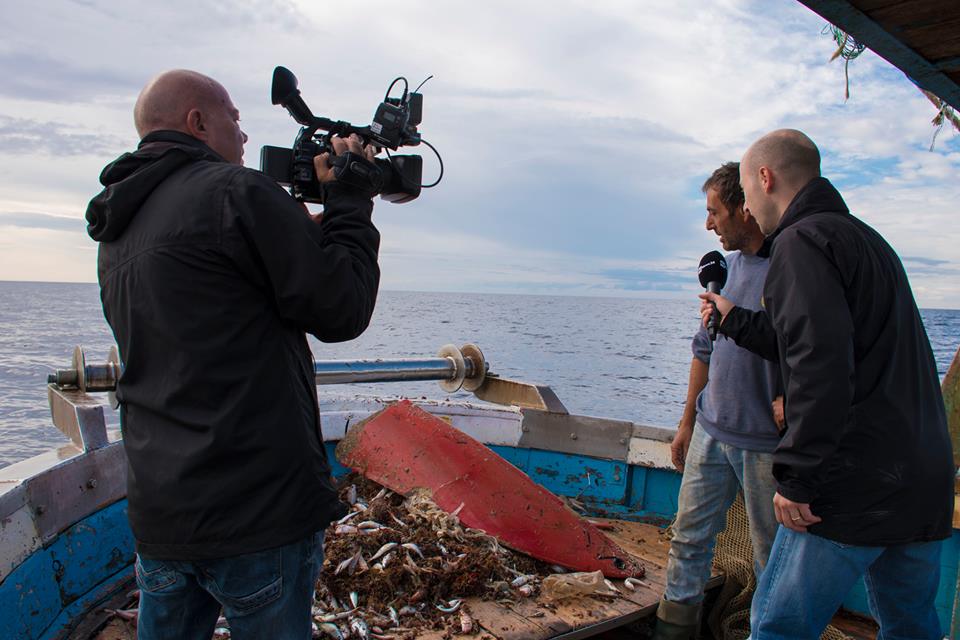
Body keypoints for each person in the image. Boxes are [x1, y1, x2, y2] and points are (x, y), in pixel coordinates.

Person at [85, 70, 382, 640]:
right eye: (235, 121)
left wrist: (301, 229)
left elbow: (217, 300)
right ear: (198, 122)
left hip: (162, 514)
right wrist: (350, 202)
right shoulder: (236, 192)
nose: (245, 140)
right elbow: (342, 309)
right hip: (255, 516)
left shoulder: (118, 228)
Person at [701, 129, 954, 639]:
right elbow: (820, 338)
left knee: (777, 628)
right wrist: (734, 321)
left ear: (765, 179)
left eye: (747, 194)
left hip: (853, 486)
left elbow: (820, 363)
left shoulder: (800, 241)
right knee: (911, 630)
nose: (747, 208)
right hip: (923, 483)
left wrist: (796, 475)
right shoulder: (867, 240)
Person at [654, 163, 783, 640]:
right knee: (687, 539)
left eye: (714, 212)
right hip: (711, 430)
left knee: (772, 557)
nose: (709, 224)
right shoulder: (725, 271)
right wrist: (687, 422)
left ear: (743, 208)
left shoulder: (790, 269)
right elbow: (702, 350)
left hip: (766, 444)